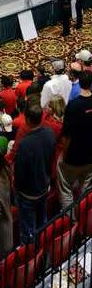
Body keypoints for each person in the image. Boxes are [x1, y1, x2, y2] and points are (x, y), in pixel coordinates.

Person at [14, 101, 55, 244]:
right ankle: (43, 245)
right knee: (42, 221)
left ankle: (31, 254)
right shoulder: (50, 133)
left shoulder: (25, 144)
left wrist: (17, 189)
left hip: (28, 193)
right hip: (44, 186)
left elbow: (19, 172)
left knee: (27, 229)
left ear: (28, 119)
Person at [59, 71, 92, 210]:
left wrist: (64, 155)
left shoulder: (73, 106)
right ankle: (83, 219)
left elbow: (67, 135)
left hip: (73, 156)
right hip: (90, 156)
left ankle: (71, 220)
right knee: (86, 189)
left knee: (66, 188)